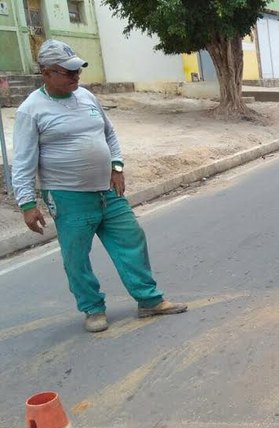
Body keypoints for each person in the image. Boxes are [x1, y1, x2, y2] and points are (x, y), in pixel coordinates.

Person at [12, 39, 187, 333]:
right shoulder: (31, 111)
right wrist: (27, 204)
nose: (75, 76)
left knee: (131, 238)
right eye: (68, 72)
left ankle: (149, 300)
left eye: (77, 70)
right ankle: (92, 308)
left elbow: (109, 134)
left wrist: (117, 166)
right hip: (67, 196)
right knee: (76, 256)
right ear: (46, 72)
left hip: (107, 191)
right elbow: (22, 162)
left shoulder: (86, 97)